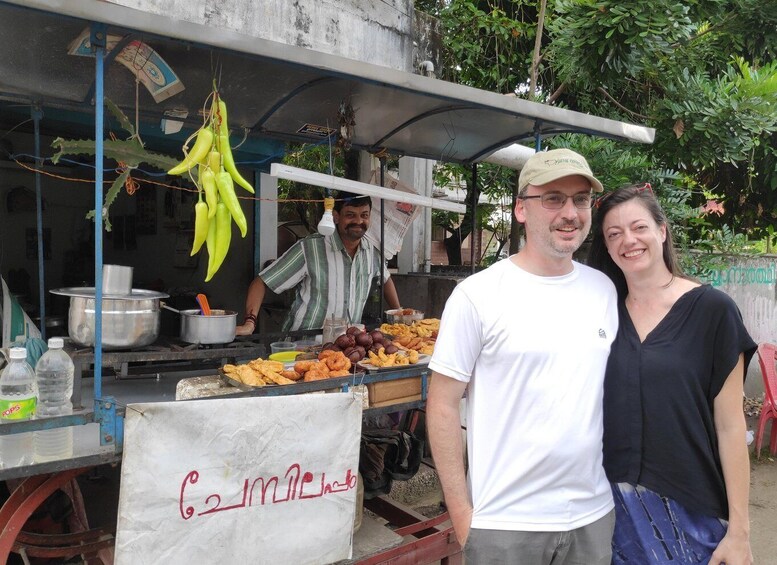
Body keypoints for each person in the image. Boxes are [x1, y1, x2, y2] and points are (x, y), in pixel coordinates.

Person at [427, 148, 618, 564]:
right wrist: (463, 517)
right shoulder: (477, 295)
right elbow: (441, 406)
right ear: (520, 210)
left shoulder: (603, 290)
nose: (570, 212)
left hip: (593, 516)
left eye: (580, 199)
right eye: (553, 199)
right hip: (505, 525)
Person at [588, 184, 756, 565]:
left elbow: (731, 427)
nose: (628, 240)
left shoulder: (714, 311)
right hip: (611, 512)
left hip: (693, 515)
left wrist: (740, 532)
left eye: (639, 227)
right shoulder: (600, 311)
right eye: (614, 234)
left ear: (662, 231)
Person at [235, 191, 401, 335]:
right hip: (303, 344)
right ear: (336, 216)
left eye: (364, 215)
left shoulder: (372, 253)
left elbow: (385, 279)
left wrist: (399, 315)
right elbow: (262, 281)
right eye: (350, 215)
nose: (358, 221)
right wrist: (250, 323)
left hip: (345, 347)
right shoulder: (311, 248)